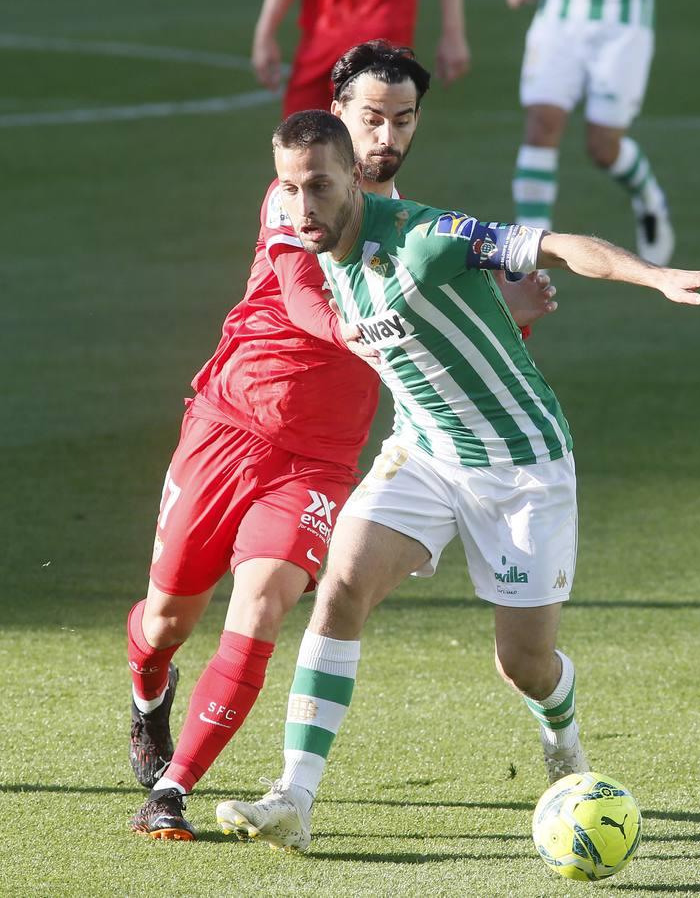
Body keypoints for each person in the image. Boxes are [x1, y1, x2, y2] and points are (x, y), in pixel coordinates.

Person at [214, 109, 700, 850]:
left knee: (522, 664)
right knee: (338, 590)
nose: (303, 207)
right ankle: (295, 796)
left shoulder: (427, 241)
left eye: (320, 187)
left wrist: (652, 275)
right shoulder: (291, 215)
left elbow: (554, 246)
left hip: (522, 467)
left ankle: (562, 740)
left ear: (353, 181)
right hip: (424, 455)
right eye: (290, 187)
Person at [128, 42, 557, 841]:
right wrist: (363, 332)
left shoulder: (417, 234)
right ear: (336, 119)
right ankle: (149, 692)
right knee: (165, 621)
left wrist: (514, 312)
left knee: (262, 604)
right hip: (227, 426)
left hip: (319, 460)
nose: (385, 135)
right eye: (369, 117)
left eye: (401, 119)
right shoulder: (295, 197)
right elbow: (300, 297)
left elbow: (455, 352)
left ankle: (172, 792)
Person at [507, 0, 675, 265]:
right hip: (559, 18)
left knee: (603, 148)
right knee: (541, 124)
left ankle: (649, 198)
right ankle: (530, 259)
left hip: (623, 25)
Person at [252, 0, 471, 116]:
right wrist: (265, 31)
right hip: (320, 33)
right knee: (299, 149)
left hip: (380, 31)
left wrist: (453, 31)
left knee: (368, 155)